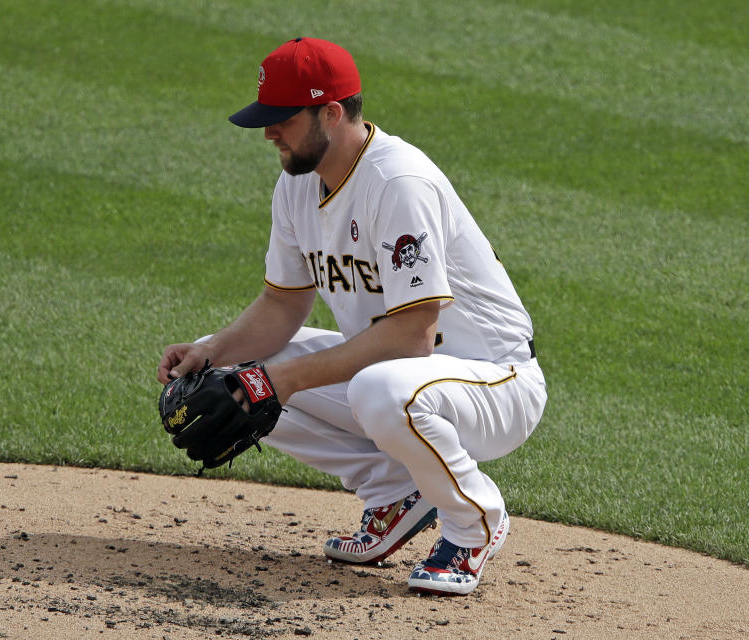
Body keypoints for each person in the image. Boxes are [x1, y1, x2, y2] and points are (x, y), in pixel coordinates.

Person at [157, 37, 547, 596]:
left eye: (282, 120)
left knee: (373, 389)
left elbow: (415, 335)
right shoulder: (296, 186)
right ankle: (393, 492)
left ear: (331, 113)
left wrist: (279, 381)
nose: (269, 133)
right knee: (230, 374)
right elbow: (284, 304)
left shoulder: (397, 182)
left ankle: (474, 523)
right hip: (400, 377)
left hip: (493, 381)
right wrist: (213, 352)